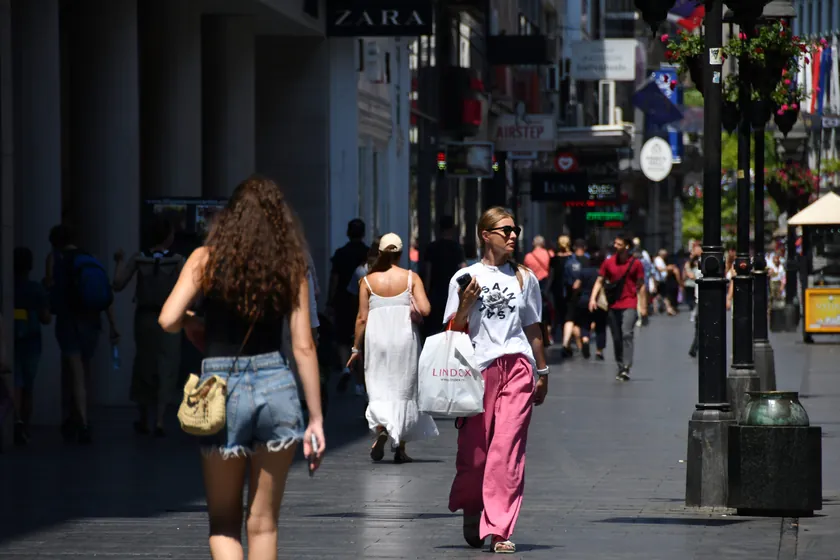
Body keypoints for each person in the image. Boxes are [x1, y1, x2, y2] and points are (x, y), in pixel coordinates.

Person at [158, 176, 325, 560]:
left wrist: (191, 322)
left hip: (220, 388)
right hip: (276, 384)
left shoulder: (205, 258)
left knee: (223, 523)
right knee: (263, 523)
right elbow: (303, 345)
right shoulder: (291, 264)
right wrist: (315, 418)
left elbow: (167, 319)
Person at [445, 206, 549, 554]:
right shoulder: (465, 277)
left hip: (517, 367)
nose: (513, 235)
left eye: (515, 230)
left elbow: (533, 327)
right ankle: (472, 507)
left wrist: (542, 371)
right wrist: (465, 304)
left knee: (506, 450)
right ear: (485, 235)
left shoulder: (525, 278)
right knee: (475, 454)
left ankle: (500, 527)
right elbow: (453, 331)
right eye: (506, 230)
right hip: (477, 370)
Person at [347, 233, 439, 463]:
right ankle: (400, 448)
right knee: (404, 388)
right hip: (404, 338)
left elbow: (361, 318)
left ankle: (382, 429)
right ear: (400, 254)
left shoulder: (367, 281)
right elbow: (426, 309)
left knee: (379, 386)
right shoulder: (411, 278)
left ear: (380, 252)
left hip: (376, 340)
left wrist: (356, 349)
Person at [46, 224, 120, 444]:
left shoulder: (56, 259)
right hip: (92, 322)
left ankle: (83, 422)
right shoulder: (90, 258)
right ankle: (77, 415)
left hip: (69, 321)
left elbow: (51, 287)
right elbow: (106, 295)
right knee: (83, 371)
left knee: (74, 372)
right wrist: (113, 325)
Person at [113, 216, 185, 437]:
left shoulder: (139, 258)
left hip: (144, 318)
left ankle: (144, 418)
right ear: (168, 236)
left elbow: (117, 284)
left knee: (144, 365)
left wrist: (118, 261)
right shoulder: (177, 260)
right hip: (170, 318)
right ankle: (160, 420)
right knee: (167, 365)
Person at [588, 234, 645, 381]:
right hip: (613, 304)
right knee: (617, 337)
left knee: (627, 333)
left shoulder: (636, 263)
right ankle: (620, 365)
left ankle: (626, 366)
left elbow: (641, 285)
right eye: (615, 243)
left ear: (627, 246)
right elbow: (600, 280)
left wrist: (643, 305)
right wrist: (593, 298)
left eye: (619, 244)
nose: (615, 246)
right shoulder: (608, 262)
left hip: (630, 303)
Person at [12, 247, 51, 445]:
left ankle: (15, 422)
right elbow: (46, 318)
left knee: (15, 383)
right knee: (28, 386)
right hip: (32, 341)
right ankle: (25, 427)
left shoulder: (7, 288)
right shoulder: (36, 289)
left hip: (11, 340)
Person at [329, 219, 370, 394]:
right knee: (361, 340)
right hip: (363, 302)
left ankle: (346, 367)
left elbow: (334, 279)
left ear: (348, 233)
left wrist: (330, 300)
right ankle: (360, 380)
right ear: (363, 233)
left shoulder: (341, 253)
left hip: (343, 300)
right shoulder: (368, 253)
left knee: (342, 338)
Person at [423, 215, 466, 337]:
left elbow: (428, 272)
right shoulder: (457, 248)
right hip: (453, 293)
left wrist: (426, 292)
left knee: (435, 329)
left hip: (436, 293)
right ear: (452, 229)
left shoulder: (431, 247)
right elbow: (464, 270)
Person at [573, 249, 607, 360]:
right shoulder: (603, 272)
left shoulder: (584, 271)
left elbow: (576, 286)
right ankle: (599, 351)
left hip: (584, 300)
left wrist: (577, 293)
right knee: (600, 326)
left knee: (584, 323)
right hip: (600, 302)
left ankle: (585, 340)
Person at [546, 235, 572, 346]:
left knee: (557, 312)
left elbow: (551, 276)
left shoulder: (554, 260)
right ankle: (567, 336)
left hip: (557, 289)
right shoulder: (572, 258)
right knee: (569, 313)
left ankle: (557, 334)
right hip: (570, 289)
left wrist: (547, 290)